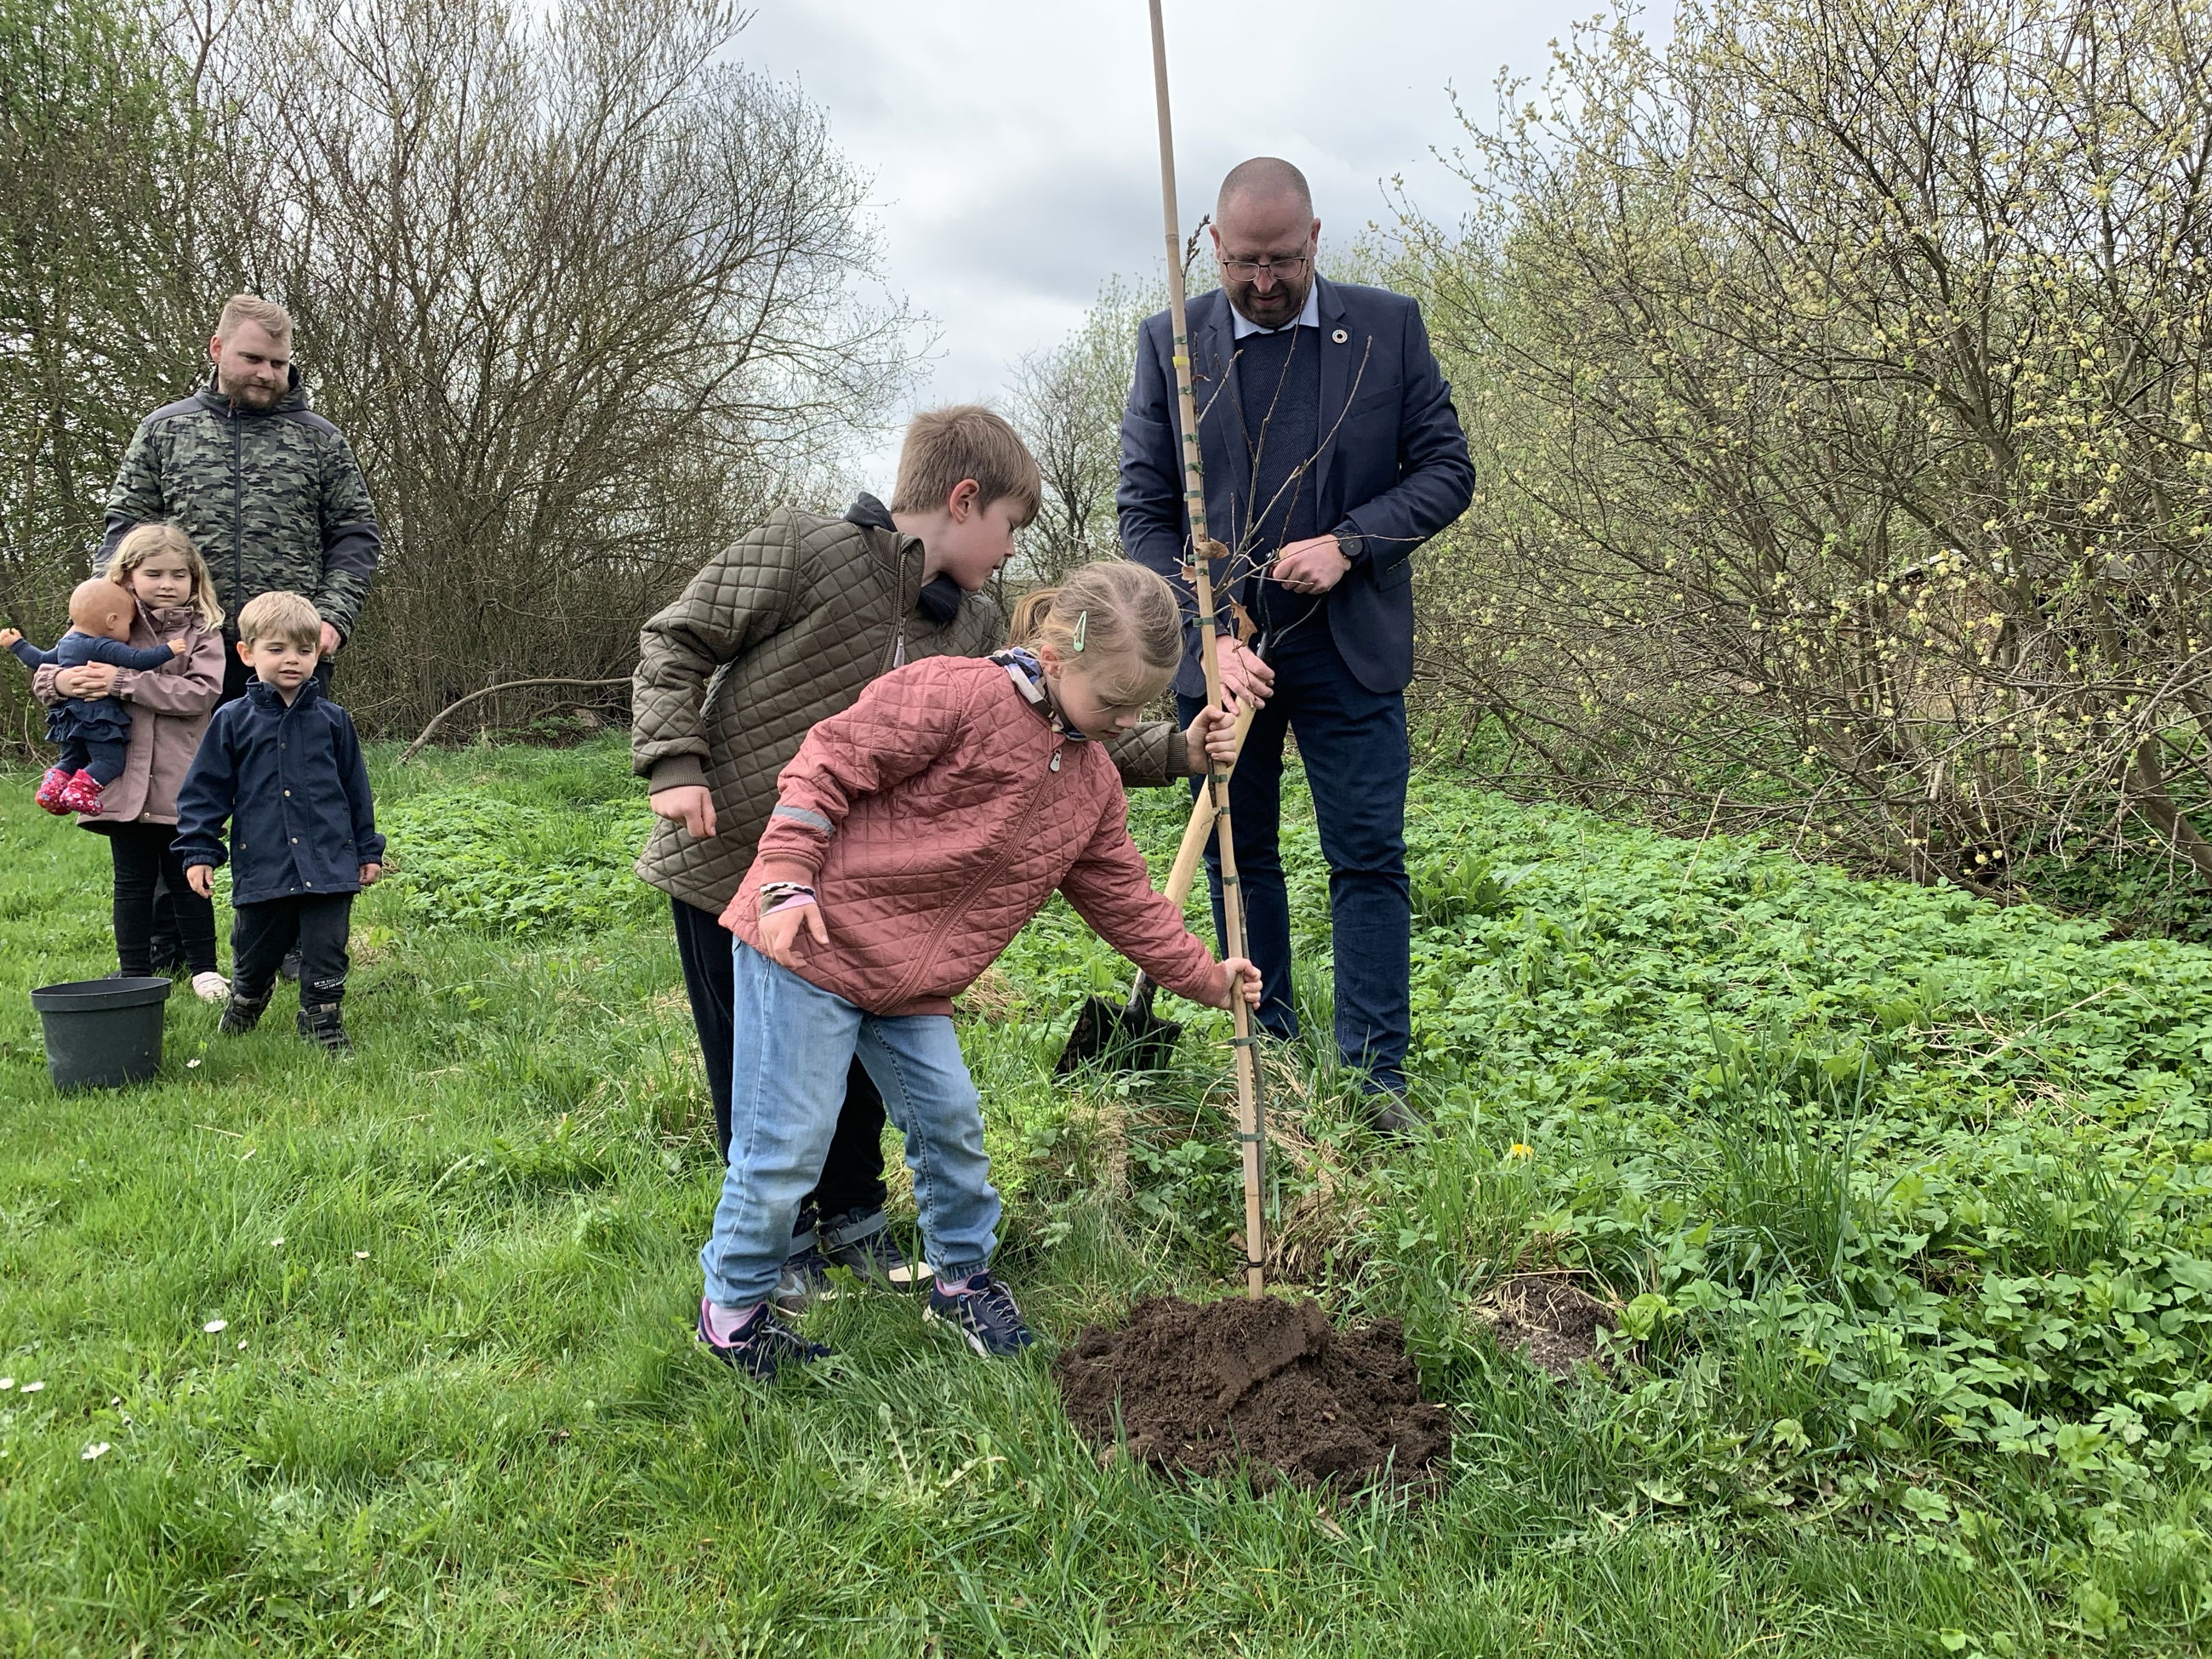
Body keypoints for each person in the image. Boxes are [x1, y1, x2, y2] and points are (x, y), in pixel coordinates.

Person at [631, 406, 1271, 1308]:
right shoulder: (801, 549)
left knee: (853, 1056)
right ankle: (770, 1252)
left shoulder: (971, 630)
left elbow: (1060, 736)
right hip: (728, 844)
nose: (1012, 553)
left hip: (867, 889)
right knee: (763, 1068)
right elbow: (675, 639)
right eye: (1009, 527)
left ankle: (851, 1215)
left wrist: (1170, 750)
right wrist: (673, 762)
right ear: (963, 501)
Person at [695, 562, 1261, 1377]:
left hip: (912, 986)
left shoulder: (1094, 786)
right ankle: (735, 1309)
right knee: (788, 1142)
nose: (1129, 721)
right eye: (1115, 703)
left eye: (1143, 706)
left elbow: (1130, 906)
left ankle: (961, 1283)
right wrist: (785, 877)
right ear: (1058, 658)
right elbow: (829, 757)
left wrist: (1208, 979)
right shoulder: (956, 694)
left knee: (952, 1127)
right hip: (812, 944)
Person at [1119, 157, 1474, 1131]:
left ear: (1314, 239)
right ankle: (1267, 1056)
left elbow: (1446, 470)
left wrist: (1352, 544)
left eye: (1280, 259)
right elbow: (1141, 515)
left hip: (1349, 647)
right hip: (1223, 654)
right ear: (1212, 245)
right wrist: (1203, 633)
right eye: (1242, 262)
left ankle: (1374, 1082)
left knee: (1366, 857)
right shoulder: (1170, 346)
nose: (1263, 281)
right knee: (1245, 857)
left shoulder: (1387, 328)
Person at [101, 293, 383, 978]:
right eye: (254, 358)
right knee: (171, 800)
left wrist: (332, 621)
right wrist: (119, 627)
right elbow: (122, 533)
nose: (267, 373)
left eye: (279, 363)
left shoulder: (320, 438)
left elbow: (356, 535)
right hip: (175, 654)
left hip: (285, 651)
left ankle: (287, 942)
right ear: (217, 349)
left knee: (288, 793)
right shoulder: (164, 431)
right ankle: (173, 942)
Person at [19, 524, 231, 999]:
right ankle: (135, 971)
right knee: (132, 883)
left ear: (196, 580)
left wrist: (124, 682)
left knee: (190, 878)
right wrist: (64, 686)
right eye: (154, 573)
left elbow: (202, 694)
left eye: (180, 574)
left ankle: (205, 971)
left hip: (182, 781)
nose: (168, 583)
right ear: (128, 577)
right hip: (121, 782)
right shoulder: (110, 621)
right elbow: (49, 671)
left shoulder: (203, 632)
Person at [174, 592, 385, 1055]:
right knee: (256, 949)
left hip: (330, 860)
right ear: (247, 654)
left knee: (327, 947)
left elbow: (355, 791)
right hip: (263, 860)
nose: (292, 660)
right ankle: (247, 999)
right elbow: (203, 792)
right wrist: (199, 850)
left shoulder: (333, 721)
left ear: (318, 654)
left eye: (304, 651)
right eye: (277, 649)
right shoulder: (232, 720)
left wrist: (368, 850)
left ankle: (322, 1018)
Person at [4, 579, 189, 815]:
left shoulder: (67, 643)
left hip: (67, 718)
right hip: (96, 717)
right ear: (112, 621)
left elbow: (39, 660)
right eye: (129, 624)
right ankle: (80, 791)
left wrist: (17, 644)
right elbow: (138, 660)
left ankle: (52, 786)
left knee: (73, 759)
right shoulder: (102, 646)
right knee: (109, 762)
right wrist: (169, 650)